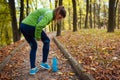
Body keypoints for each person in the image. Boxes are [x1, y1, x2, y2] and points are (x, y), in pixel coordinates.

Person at [20, 6, 66, 75]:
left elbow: (38, 20)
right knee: (47, 41)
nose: (59, 19)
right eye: (59, 17)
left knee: (34, 46)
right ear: (58, 12)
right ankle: (44, 63)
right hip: (30, 26)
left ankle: (33, 69)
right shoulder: (49, 15)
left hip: (23, 26)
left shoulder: (48, 12)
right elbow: (39, 26)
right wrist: (37, 36)